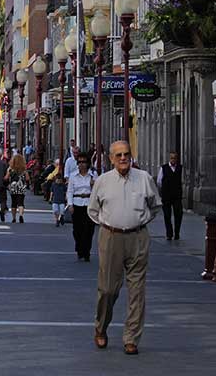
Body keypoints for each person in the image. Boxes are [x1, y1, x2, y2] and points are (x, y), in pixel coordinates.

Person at [87, 140, 162, 355]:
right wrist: (108, 223)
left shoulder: (144, 178)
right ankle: (101, 327)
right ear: (111, 159)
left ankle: (131, 338)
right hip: (111, 237)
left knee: (137, 291)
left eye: (126, 154)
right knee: (108, 289)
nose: (123, 158)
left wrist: (141, 220)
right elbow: (93, 210)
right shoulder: (102, 181)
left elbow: (155, 205)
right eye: (118, 155)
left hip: (138, 237)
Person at [66, 152, 97, 261]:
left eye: (84, 162)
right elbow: (69, 191)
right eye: (79, 162)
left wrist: (93, 185)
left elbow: (98, 192)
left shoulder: (93, 175)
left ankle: (86, 251)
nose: (82, 164)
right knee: (77, 229)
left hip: (89, 204)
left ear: (88, 163)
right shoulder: (73, 176)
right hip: (77, 203)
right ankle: (79, 248)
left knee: (89, 229)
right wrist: (70, 204)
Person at [158, 151, 184, 240]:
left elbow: (182, 180)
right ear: (169, 158)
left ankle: (177, 233)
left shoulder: (180, 168)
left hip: (177, 195)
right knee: (167, 215)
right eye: (172, 158)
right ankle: (169, 234)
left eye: (175, 158)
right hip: (166, 196)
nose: (173, 160)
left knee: (178, 214)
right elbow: (159, 181)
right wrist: (164, 191)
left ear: (177, 159)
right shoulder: (163, 168)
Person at [7, 153, 28, 223]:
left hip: (13, 187)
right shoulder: (24, 169)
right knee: (21, 202)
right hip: (21, 187)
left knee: (14, 202)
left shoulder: (10, 169)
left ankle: (14, 218)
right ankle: (21, 215)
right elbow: (27, 178)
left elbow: (6, 177)